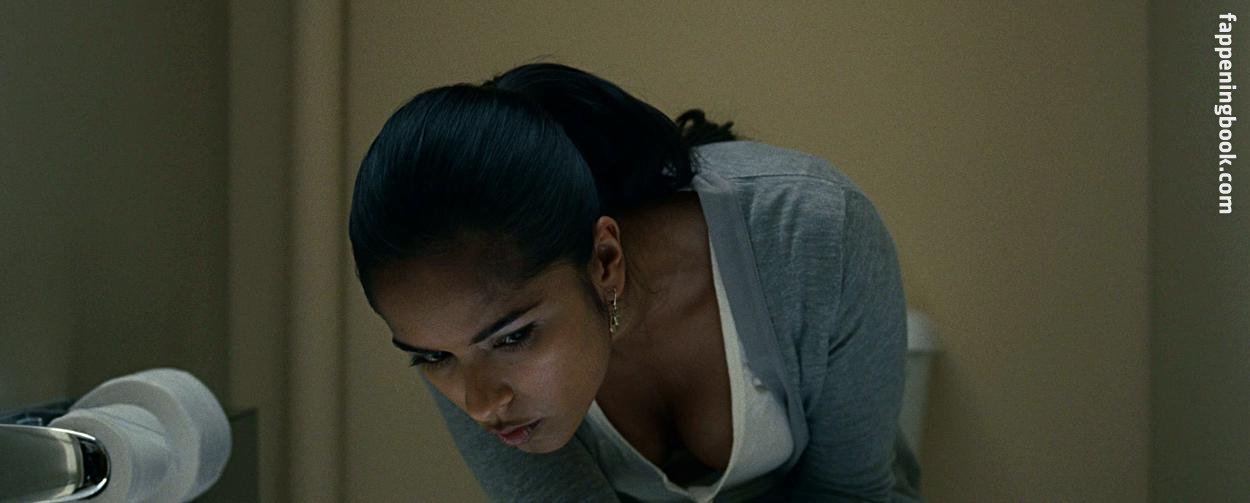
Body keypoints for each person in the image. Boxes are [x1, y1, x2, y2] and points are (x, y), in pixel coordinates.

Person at [348, 62, 923, 502]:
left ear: (604, 259)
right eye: (431, 357)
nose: (479, 405)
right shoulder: (455, 332)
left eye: (514, 337)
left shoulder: (816, 230)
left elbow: (847, 494)